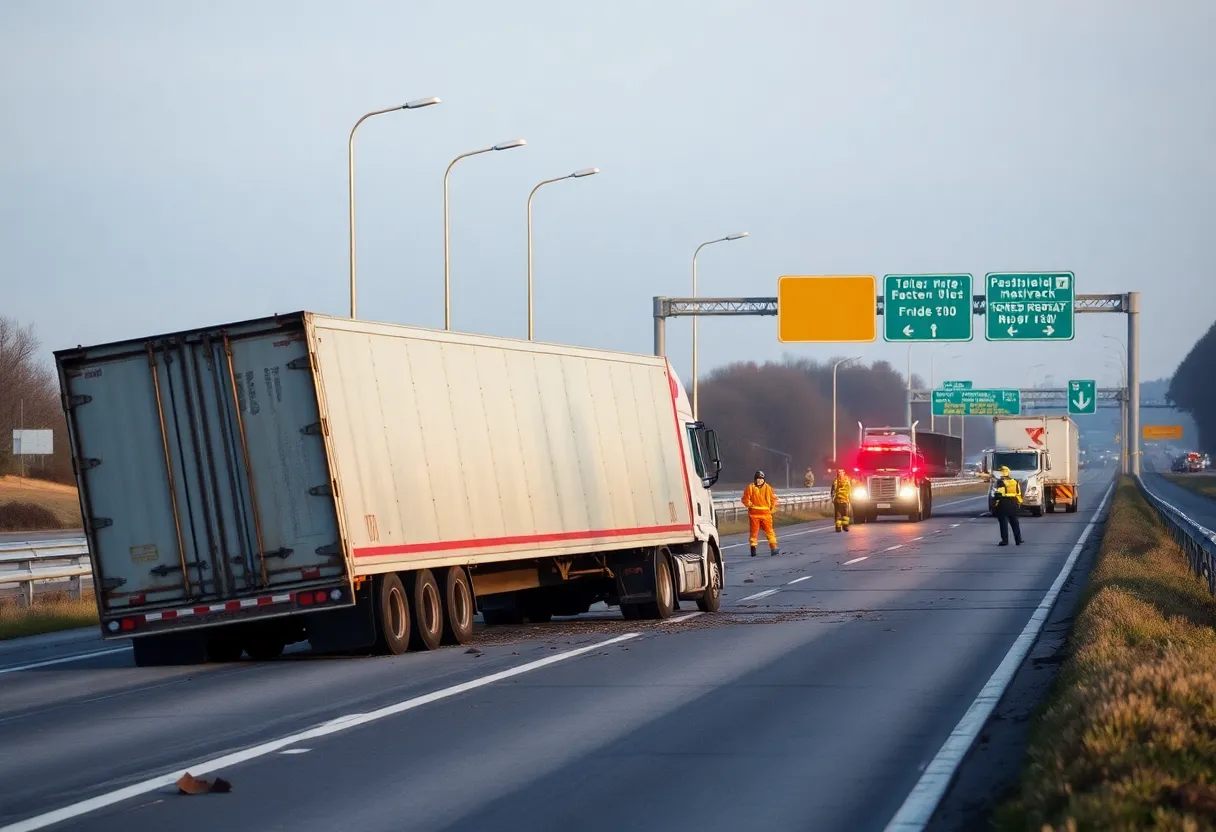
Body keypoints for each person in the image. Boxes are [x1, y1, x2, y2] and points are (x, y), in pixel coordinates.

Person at [742, 470, 779, 557]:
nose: (759, 480)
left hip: (764, 515)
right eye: (758, 478)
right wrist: (750, 505)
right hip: (756, 515)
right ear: (755, 479)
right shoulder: (750, 487)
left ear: (763, 479)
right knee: (755, 533)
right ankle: (754, 549)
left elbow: (773, 500)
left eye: (761, 478)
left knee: (768, 532)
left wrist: (772, 510)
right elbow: (745, 499)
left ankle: (773, 548)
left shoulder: (768, 488)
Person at [993, 465, 1024, 546]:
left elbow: (998, 494)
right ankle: (1018, 540)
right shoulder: (1015, 481)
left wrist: (995, 504)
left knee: (1003, 523)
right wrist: (1019, 503)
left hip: (1003, 503)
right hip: (1014, 502)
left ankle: (1005, 540)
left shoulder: (1000, 482)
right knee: (1015, 522)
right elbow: (1019, 493)